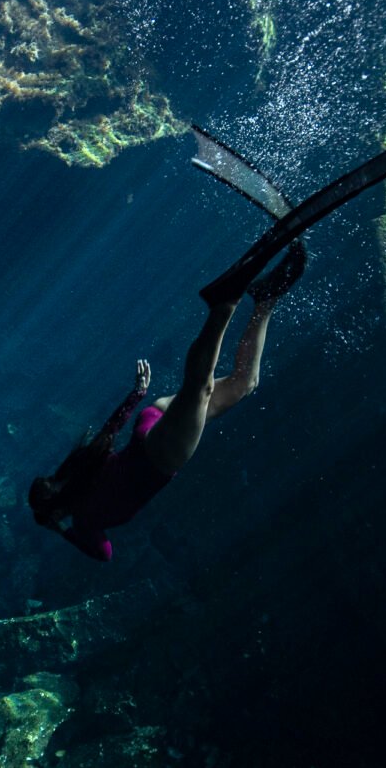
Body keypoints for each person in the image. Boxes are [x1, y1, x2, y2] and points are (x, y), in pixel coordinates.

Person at [28, 240, 306, 560]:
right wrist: (137, 395)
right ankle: (265, 299)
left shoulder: (85, 522)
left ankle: (224, 304)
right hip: (152, 422)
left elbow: (104, 554)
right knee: (244, 383)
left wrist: (61, 531)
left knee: (199, 387)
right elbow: (110, 430)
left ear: (54, 513)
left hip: (159, 456)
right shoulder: (80, 471)